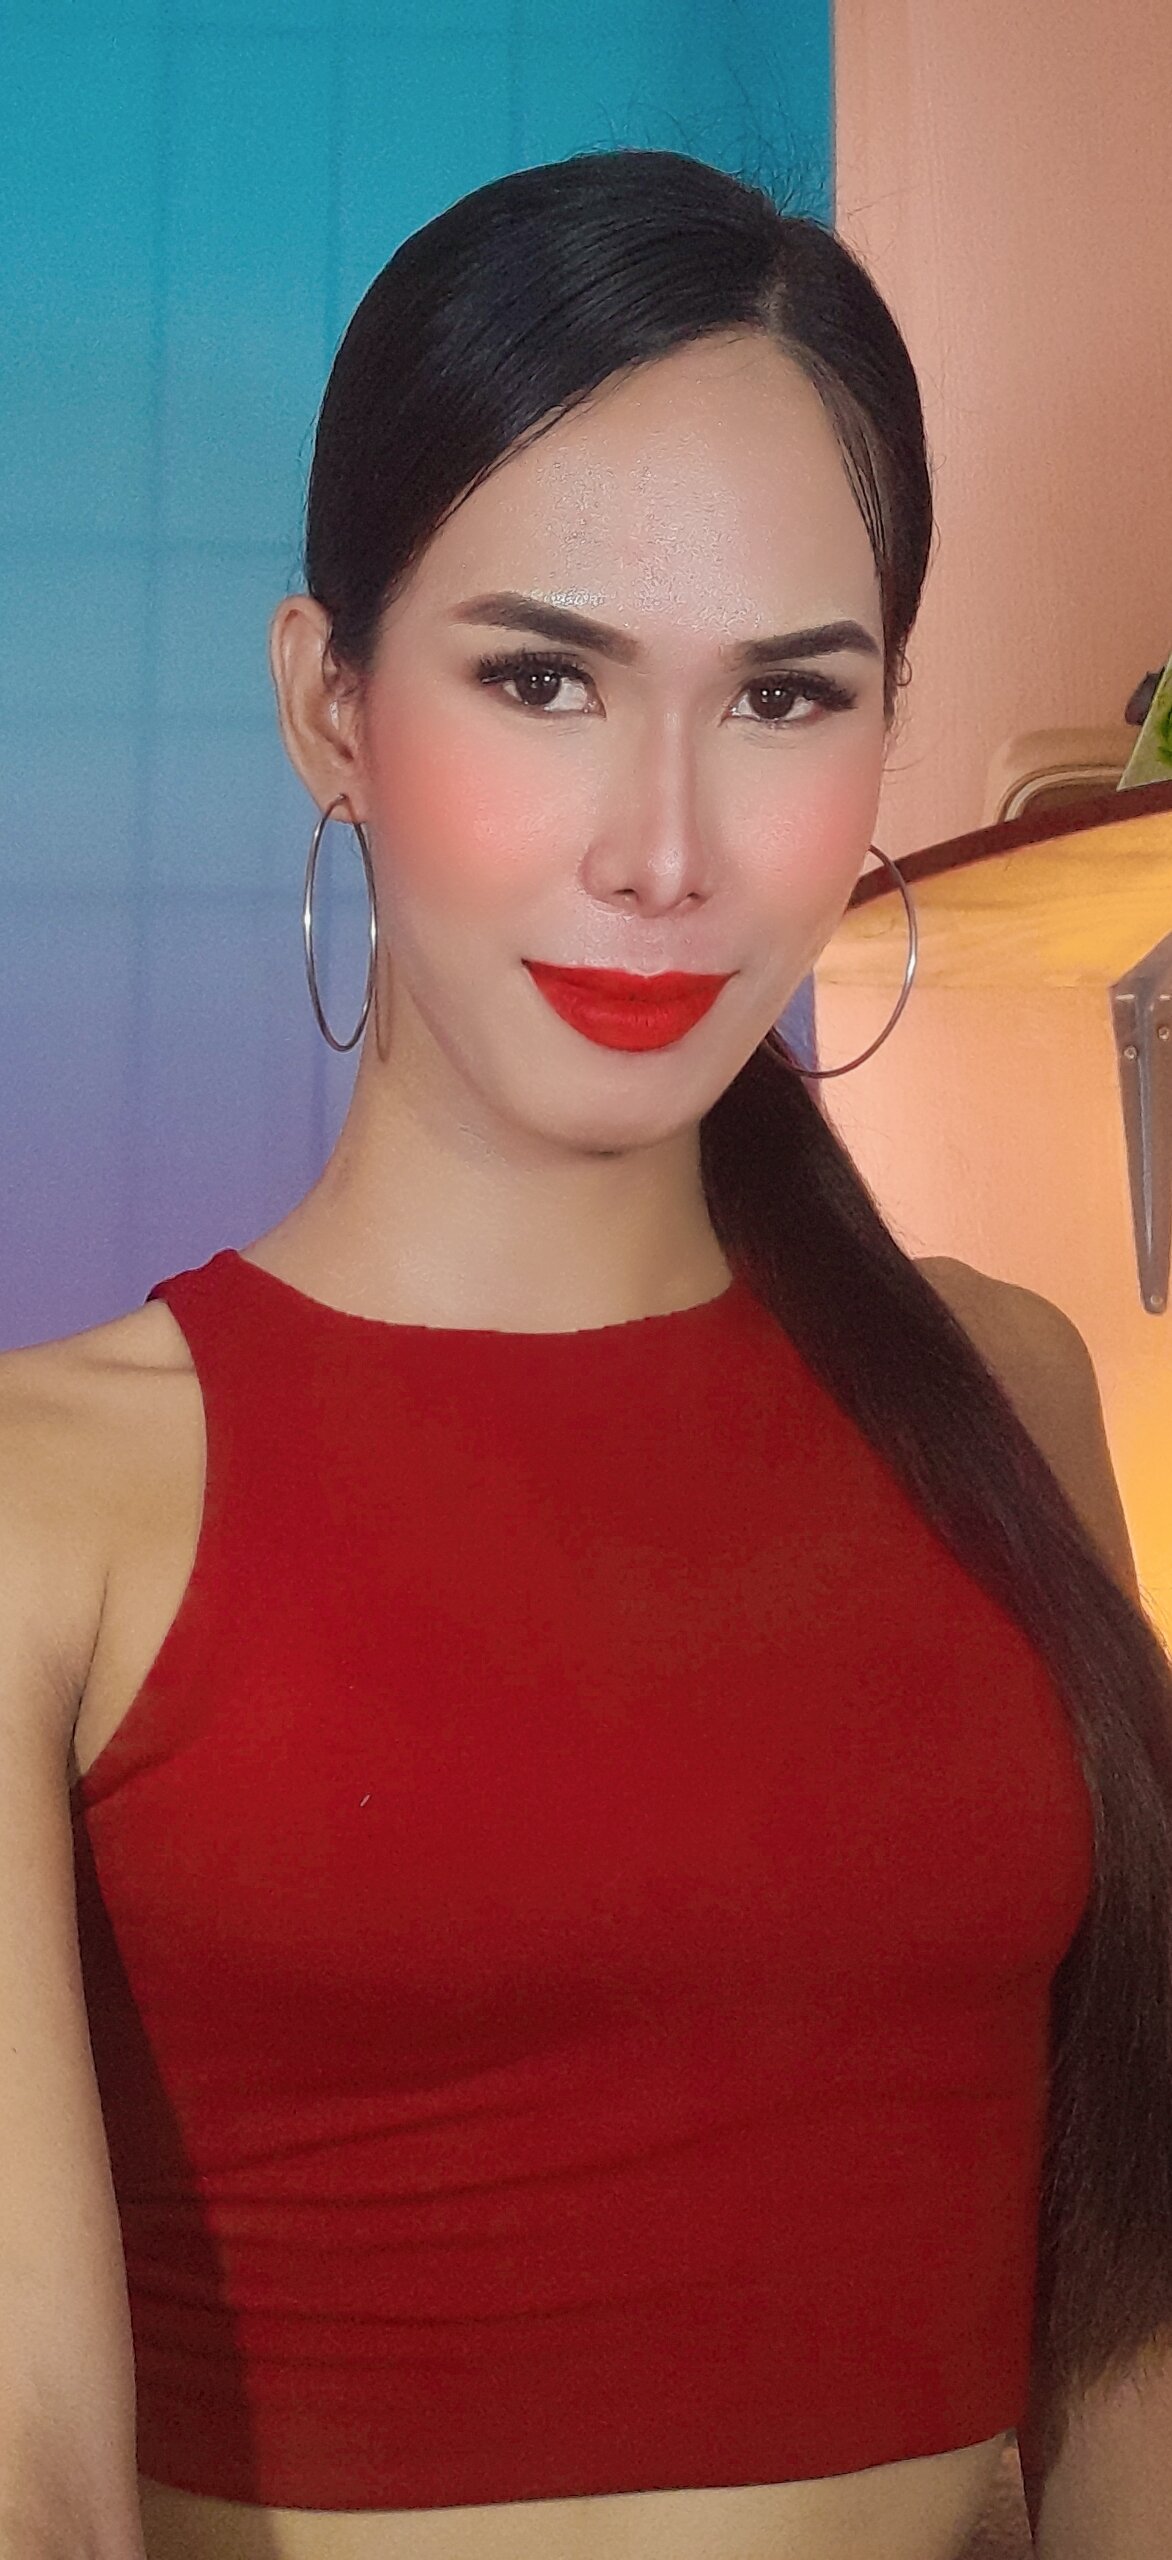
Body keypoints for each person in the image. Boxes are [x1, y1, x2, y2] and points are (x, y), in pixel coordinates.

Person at [4, 146, 1172, 2560]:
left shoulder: (1003, 1392)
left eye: (783, 694)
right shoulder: (50, 1499)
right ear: (329, 703)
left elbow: (1126, 2315)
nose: (665, 846)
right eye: (541, 677)